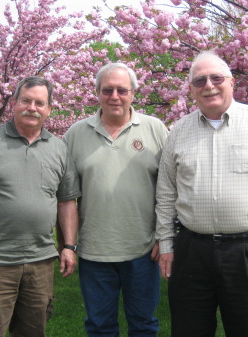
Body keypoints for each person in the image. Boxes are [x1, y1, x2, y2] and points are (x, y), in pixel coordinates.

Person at [155, 51, 248, 337]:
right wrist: (166, 244)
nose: (209, 85)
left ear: (232, 82)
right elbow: (165, 193)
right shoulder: (178, 131)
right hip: (192, 252)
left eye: (216, 78)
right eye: (199, 81)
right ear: (191, 90)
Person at [0, 76, 80, 337]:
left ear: (49, 109)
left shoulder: (59, 148)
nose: (32, 107)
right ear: (14, 103)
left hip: (40, 263)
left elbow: (67, 201)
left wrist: (68, 246)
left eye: (39, 103)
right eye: (26, 100)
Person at [64, 63, 168, 337]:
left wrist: (164, 236)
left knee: (144, 325)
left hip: (144, 250)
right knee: (99, 327)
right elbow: (66, 198)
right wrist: (69, 245)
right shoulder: (75, 134)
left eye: (122, 90)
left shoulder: (155, 130)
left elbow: (169, 189)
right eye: (107, 89)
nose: (114, 96)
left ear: (134, 93)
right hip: (94, 251)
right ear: (96, 92)